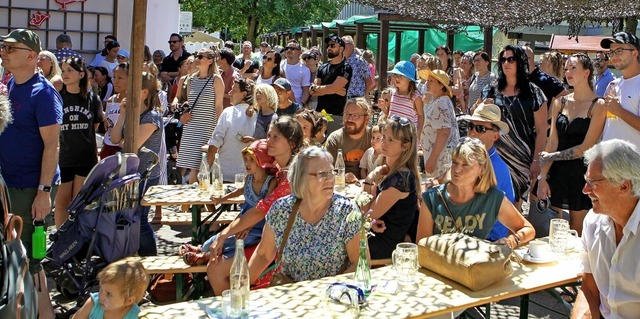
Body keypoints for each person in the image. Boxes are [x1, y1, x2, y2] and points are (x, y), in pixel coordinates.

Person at [0, 28, 62, 319]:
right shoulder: (10, 83)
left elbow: (53, 146)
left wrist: (44, 192)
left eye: (11, 48)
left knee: (32, 263)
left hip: (31, 191)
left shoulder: (43, 93)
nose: (4, 51)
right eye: (4, 46)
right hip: (9, 188)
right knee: (14, 260)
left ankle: (45, 314)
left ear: (31, 56)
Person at [208, 116, 304, 294]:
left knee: (218, 269)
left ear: (291, 143)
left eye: (276, 137)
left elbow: (260, 210)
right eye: (269, 136)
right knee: (217, 265)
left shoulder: (293, 174)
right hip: (269, 240)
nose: (269, 141)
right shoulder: (278, 170)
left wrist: (224, 234)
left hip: (289, 249)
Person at [247, 146, 361, 284]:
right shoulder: (282, 210)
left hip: (333, 296)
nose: (330, 179)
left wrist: (329, 291)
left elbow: (359, 263)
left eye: (331, 172)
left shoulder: (346, 211)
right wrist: (241, 287)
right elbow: (264, 254)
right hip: (292, 295)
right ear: (301, 177)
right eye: (322, 174)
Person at [417, 137, 535, 247]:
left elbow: (528, 229)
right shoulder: (432, 199)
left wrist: (512, 241)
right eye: (455, 162)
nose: (457, 170)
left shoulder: (493, 198)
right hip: (439, 266)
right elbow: (421, 246)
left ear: (482, 170)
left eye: (466, 165)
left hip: (475, 266)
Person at [537, 53, 606, 235]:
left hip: (581, 175)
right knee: (554, 232)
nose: (568, 72)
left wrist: (552, 157)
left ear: (586, 72)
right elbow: (552, 142)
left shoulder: (598, 105)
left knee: (578, 232)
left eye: (573, 67)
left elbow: (586, 147)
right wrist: (543, 177)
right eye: (566, 68)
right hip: (557, 173)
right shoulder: (560, 102)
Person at [571, 139, 640, 319]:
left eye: (594, 182)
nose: (585, 190)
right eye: (586, 180)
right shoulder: (593, 222)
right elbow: (590, 290)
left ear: (624, 186)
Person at [183, 139, 276, 266]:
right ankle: (202, 248)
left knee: (235, 240)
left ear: (262, 161)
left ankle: (204, 257)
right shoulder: (249, 178)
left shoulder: (271, 182)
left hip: (258, 226)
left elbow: (266, 207)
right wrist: (222, 198)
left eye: (252, 160)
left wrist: (248, 226)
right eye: (246, 160)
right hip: (242, 220)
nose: (247, 164)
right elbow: (241, 190)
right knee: (220, 235)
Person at [481, 45, 548, 208]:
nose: (506, 63)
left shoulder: (534, 93)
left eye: (511, 59)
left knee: (513, 203)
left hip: (521, 158)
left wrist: (537, 160)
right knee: (489, 201)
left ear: (520, 62)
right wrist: (480, 106)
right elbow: (479, 121)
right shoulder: (491, 90)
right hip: (493, 154)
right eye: (503, 59)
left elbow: (541, 130)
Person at [110, 72, 164, 256]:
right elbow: (115, 138)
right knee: (130, 219)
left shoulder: (153, 117)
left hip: (145, 175)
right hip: (129, 175)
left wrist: (124, 141)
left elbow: (130, 145)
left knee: (139, 220)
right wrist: (123, 114)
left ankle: (151, 263)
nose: (126, 90)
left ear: (144, 92)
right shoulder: (131, 113)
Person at [54, 57, 103, 229]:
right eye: (63, 70)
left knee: (78, 202)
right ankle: (60, 237)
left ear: (81, 74)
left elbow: (95, 126)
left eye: (70, 70)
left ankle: (77, 239)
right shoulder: (58, 97)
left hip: (85, 157)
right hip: (64, 157)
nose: (65, 74)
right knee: (61, 202)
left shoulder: (92, 99)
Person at [363, 115, 420, 258]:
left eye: (391, 140)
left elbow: (365, 215)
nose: (384, 143)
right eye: (383, 137)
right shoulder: (388, 170)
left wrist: (369, 181)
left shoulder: (401, 179)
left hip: (385, 244)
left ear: (405, 145)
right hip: (375, 234)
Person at [461, 103, 516, 241]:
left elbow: (477, 213)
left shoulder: (494, 167)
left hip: (486, 239)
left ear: (495, 136)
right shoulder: (474, 158)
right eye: (470, 126)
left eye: (480, 128)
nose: (472, 132)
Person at [176, 48, 224, 184]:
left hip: (207, 126)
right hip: (191, 125)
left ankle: (195, 200)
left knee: (199, 165)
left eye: (201, 56)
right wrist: (184, 113)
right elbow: (190, 103)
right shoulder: (191, 79)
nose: (197, 58)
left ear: (210, 61)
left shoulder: (216, 79)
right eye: (196, 55)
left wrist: (220, 128)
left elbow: (219, 106)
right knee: (192, 165)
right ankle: (193, 199)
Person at [207, 77, 257, 181]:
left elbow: (214, 145)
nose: (229, 93)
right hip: (249, 178)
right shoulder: (259, 116)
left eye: (233, 90)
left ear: (244, 94)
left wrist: (206, 170)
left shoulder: (228, 112)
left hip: (223, 175)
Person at [599, 32, 640, 150]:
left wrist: (619, 111)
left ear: (635, 53)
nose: (614, 56)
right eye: (611, 52)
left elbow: (616, 111)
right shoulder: (613, 85)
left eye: (619, 51)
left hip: (633, 163)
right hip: (609, 161)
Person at [72, 257, 149, 319]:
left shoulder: (134, 315)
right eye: (101, 289)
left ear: (128, 300)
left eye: (109, 294)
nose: (101, 296)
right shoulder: (93, 303)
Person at [421, 69, 459, 183]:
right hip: (440, 156)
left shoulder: (441, 103)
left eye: (431, 81)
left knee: (440, 187)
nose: (427, 83)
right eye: (428, 80)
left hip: (441, 159)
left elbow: (444, 132)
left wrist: (432, 158)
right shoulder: (441, 101)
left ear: (441, 85)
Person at [311, 36, 352, 134]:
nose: (329, 47)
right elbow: (312, 91)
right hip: (319, 114)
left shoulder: (346, 68)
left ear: (341, 48)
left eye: (333, 45)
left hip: (336, 115)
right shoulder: (322, 67)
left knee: (332, 146)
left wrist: (319, 89)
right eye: (328, 45)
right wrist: (333, 90)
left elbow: (333, 87)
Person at [325, 97, 372, 177]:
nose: (349, 119)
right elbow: (329, 170)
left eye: (355, 115)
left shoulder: (374, 137)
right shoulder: (335, 139)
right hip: (342, 185)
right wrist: (343, 177)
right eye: (347, 114)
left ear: (366, 119)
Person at [387, 61, 424, 139]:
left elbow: (421, 115)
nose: (397, 78)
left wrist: (418, 133)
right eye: (395, 74)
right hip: (392, 134)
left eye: (401, 75)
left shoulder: (416, 96)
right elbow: (390, 113)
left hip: (408, 136)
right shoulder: (393, 93)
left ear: (410, 79)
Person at [100, 63, 128, 159]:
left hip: (123, 148)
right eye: (114, 77)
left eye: (120, 78)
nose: (115, 81)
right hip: (108, 146)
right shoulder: (110, 100)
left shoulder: (134, 102)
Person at [281, 39, 310, 105]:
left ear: (299, 52)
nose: (288, 50)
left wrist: (300, 105)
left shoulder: (305, 70)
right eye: (287, 48)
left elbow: (306, 91)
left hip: (295, 103)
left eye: (292, 48)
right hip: (279, 102)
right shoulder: (279, 66)